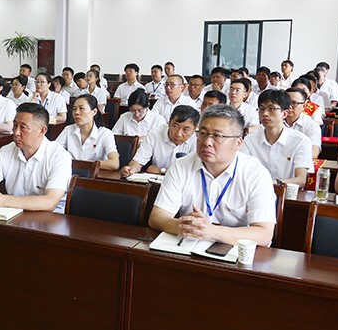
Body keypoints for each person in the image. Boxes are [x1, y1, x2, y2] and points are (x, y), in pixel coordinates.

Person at [149, 104, 276, 246]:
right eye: (203, 133)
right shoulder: (181, 166)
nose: (207, 142)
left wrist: (210, 231)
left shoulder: (256, 173)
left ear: (238, 143)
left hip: (236, 251)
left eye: (218, 136)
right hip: (188, 246)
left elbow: (264, 234)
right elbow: (157, 217)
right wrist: (185, 226)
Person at [0, 103, 72, 214]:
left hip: (50, 218)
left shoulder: (59, 156)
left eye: (23, 127)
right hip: (12, 214)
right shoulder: (5, 151)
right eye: (15, 125)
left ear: (42, 130)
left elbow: (50, 202)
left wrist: (3, 200)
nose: (16, 132)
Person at [241, 90, 312, 187]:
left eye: (271, 108)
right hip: (253, 192)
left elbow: (301, 180)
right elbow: (241, 172)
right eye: (261, 109)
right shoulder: (249, 140)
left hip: (286, 194)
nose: (265, 113)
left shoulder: (301, 141)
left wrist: (274, 183)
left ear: (285, 113)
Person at [121, 105, 199, 177]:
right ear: (169, 122)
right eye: (175, 126)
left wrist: (162, 170)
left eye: (186, 130)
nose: (179, 134)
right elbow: (138, 162)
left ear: (194, 129)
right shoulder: (155, 134)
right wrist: (130, 170)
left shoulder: (198, 140)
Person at [56, 94, 120, 170]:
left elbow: (114, 163)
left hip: (95, 176)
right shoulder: (68, 130)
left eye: (81, 108)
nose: (76, 112)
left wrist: (83, 165)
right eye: (74, 109)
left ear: (94, 111)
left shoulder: (105, 134)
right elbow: (53, 152)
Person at [285, 87, 321, 158]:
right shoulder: (274, 121)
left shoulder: (312, 125)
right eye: (286, 103)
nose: (289, 107)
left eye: (294, 103)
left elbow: (314, 152)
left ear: (304, 106)